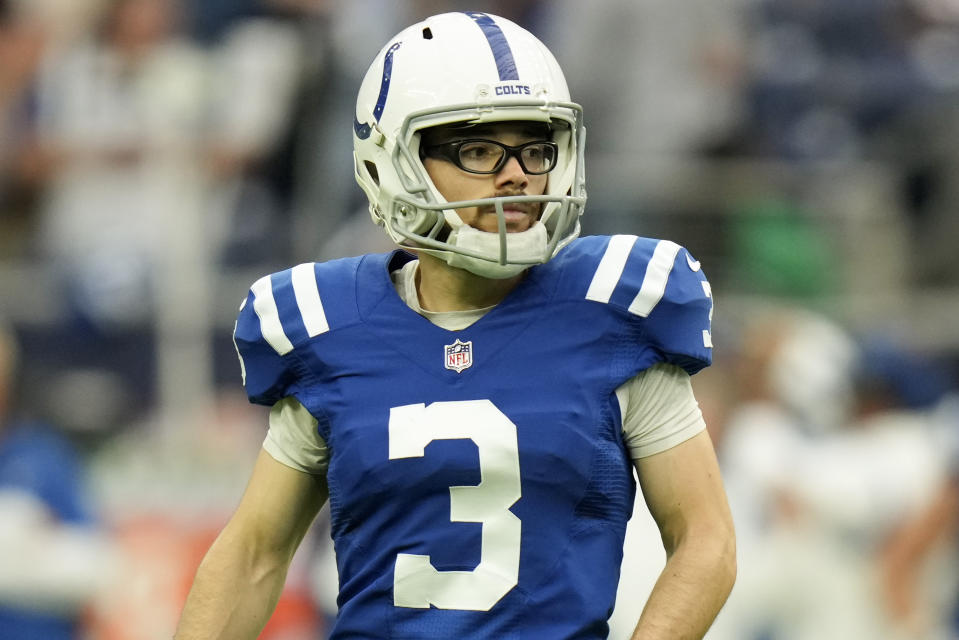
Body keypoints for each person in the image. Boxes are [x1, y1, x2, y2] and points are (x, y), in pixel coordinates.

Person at [175, 11, 735, 639]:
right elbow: (254, 553)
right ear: (392, 162)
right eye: (477, 149)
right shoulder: (331, 326)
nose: (517, 173)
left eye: (535, 147)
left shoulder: (615, 309)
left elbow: (704, 539)